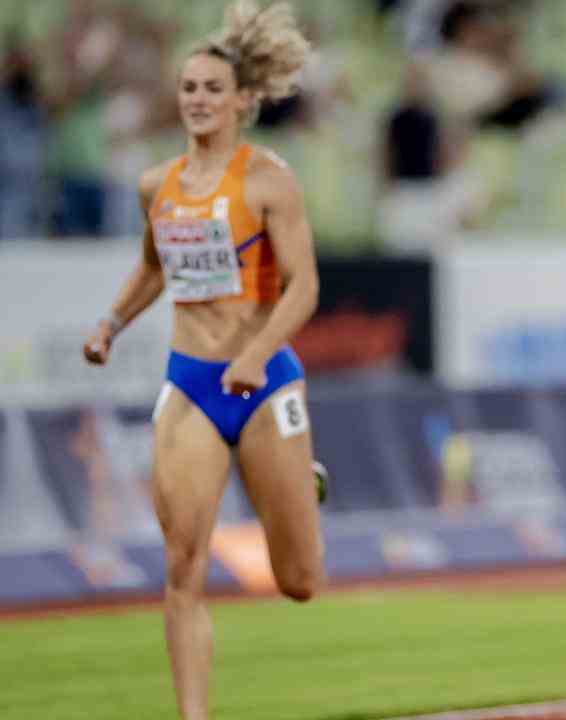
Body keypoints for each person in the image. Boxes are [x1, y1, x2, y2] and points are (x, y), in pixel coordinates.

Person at [81, 3, 326, 718]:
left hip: (261, 381)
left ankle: (299, 477)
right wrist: (111, 323)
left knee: (299, 580)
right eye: (188, 87)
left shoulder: (268, 180)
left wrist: (254, 353)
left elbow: (304, 286)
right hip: (188, 384)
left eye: (213, 88)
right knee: (183, 565)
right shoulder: (156, 186)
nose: (197, 99)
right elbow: (154, 268)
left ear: (243, 100)